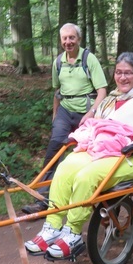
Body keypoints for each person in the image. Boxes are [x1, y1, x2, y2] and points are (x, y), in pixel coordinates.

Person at [24, 52, 133, 258]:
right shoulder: (109, 100)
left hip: (132, 155)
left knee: (86, 176)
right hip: (100, 150)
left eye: (128, 73)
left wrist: (125, 139)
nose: (123, 78)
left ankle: (73, 232)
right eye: (118, 73)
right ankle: (52, 226)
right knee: (65, 167)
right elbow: (95, 124)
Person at [22, 23, 108, 215]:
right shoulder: (58, 62)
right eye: (65, 39)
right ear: (61, 41)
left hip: (86, 112)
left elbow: (102, 90)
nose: (68, 42)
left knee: (86, 152)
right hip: (64, 111)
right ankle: (42, 199)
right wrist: (55, 115)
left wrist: (92, 112)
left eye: (72, 38)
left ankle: (93, 196)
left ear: (78, 39)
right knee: (54, 149)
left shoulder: (89, 59)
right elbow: (57, 91)